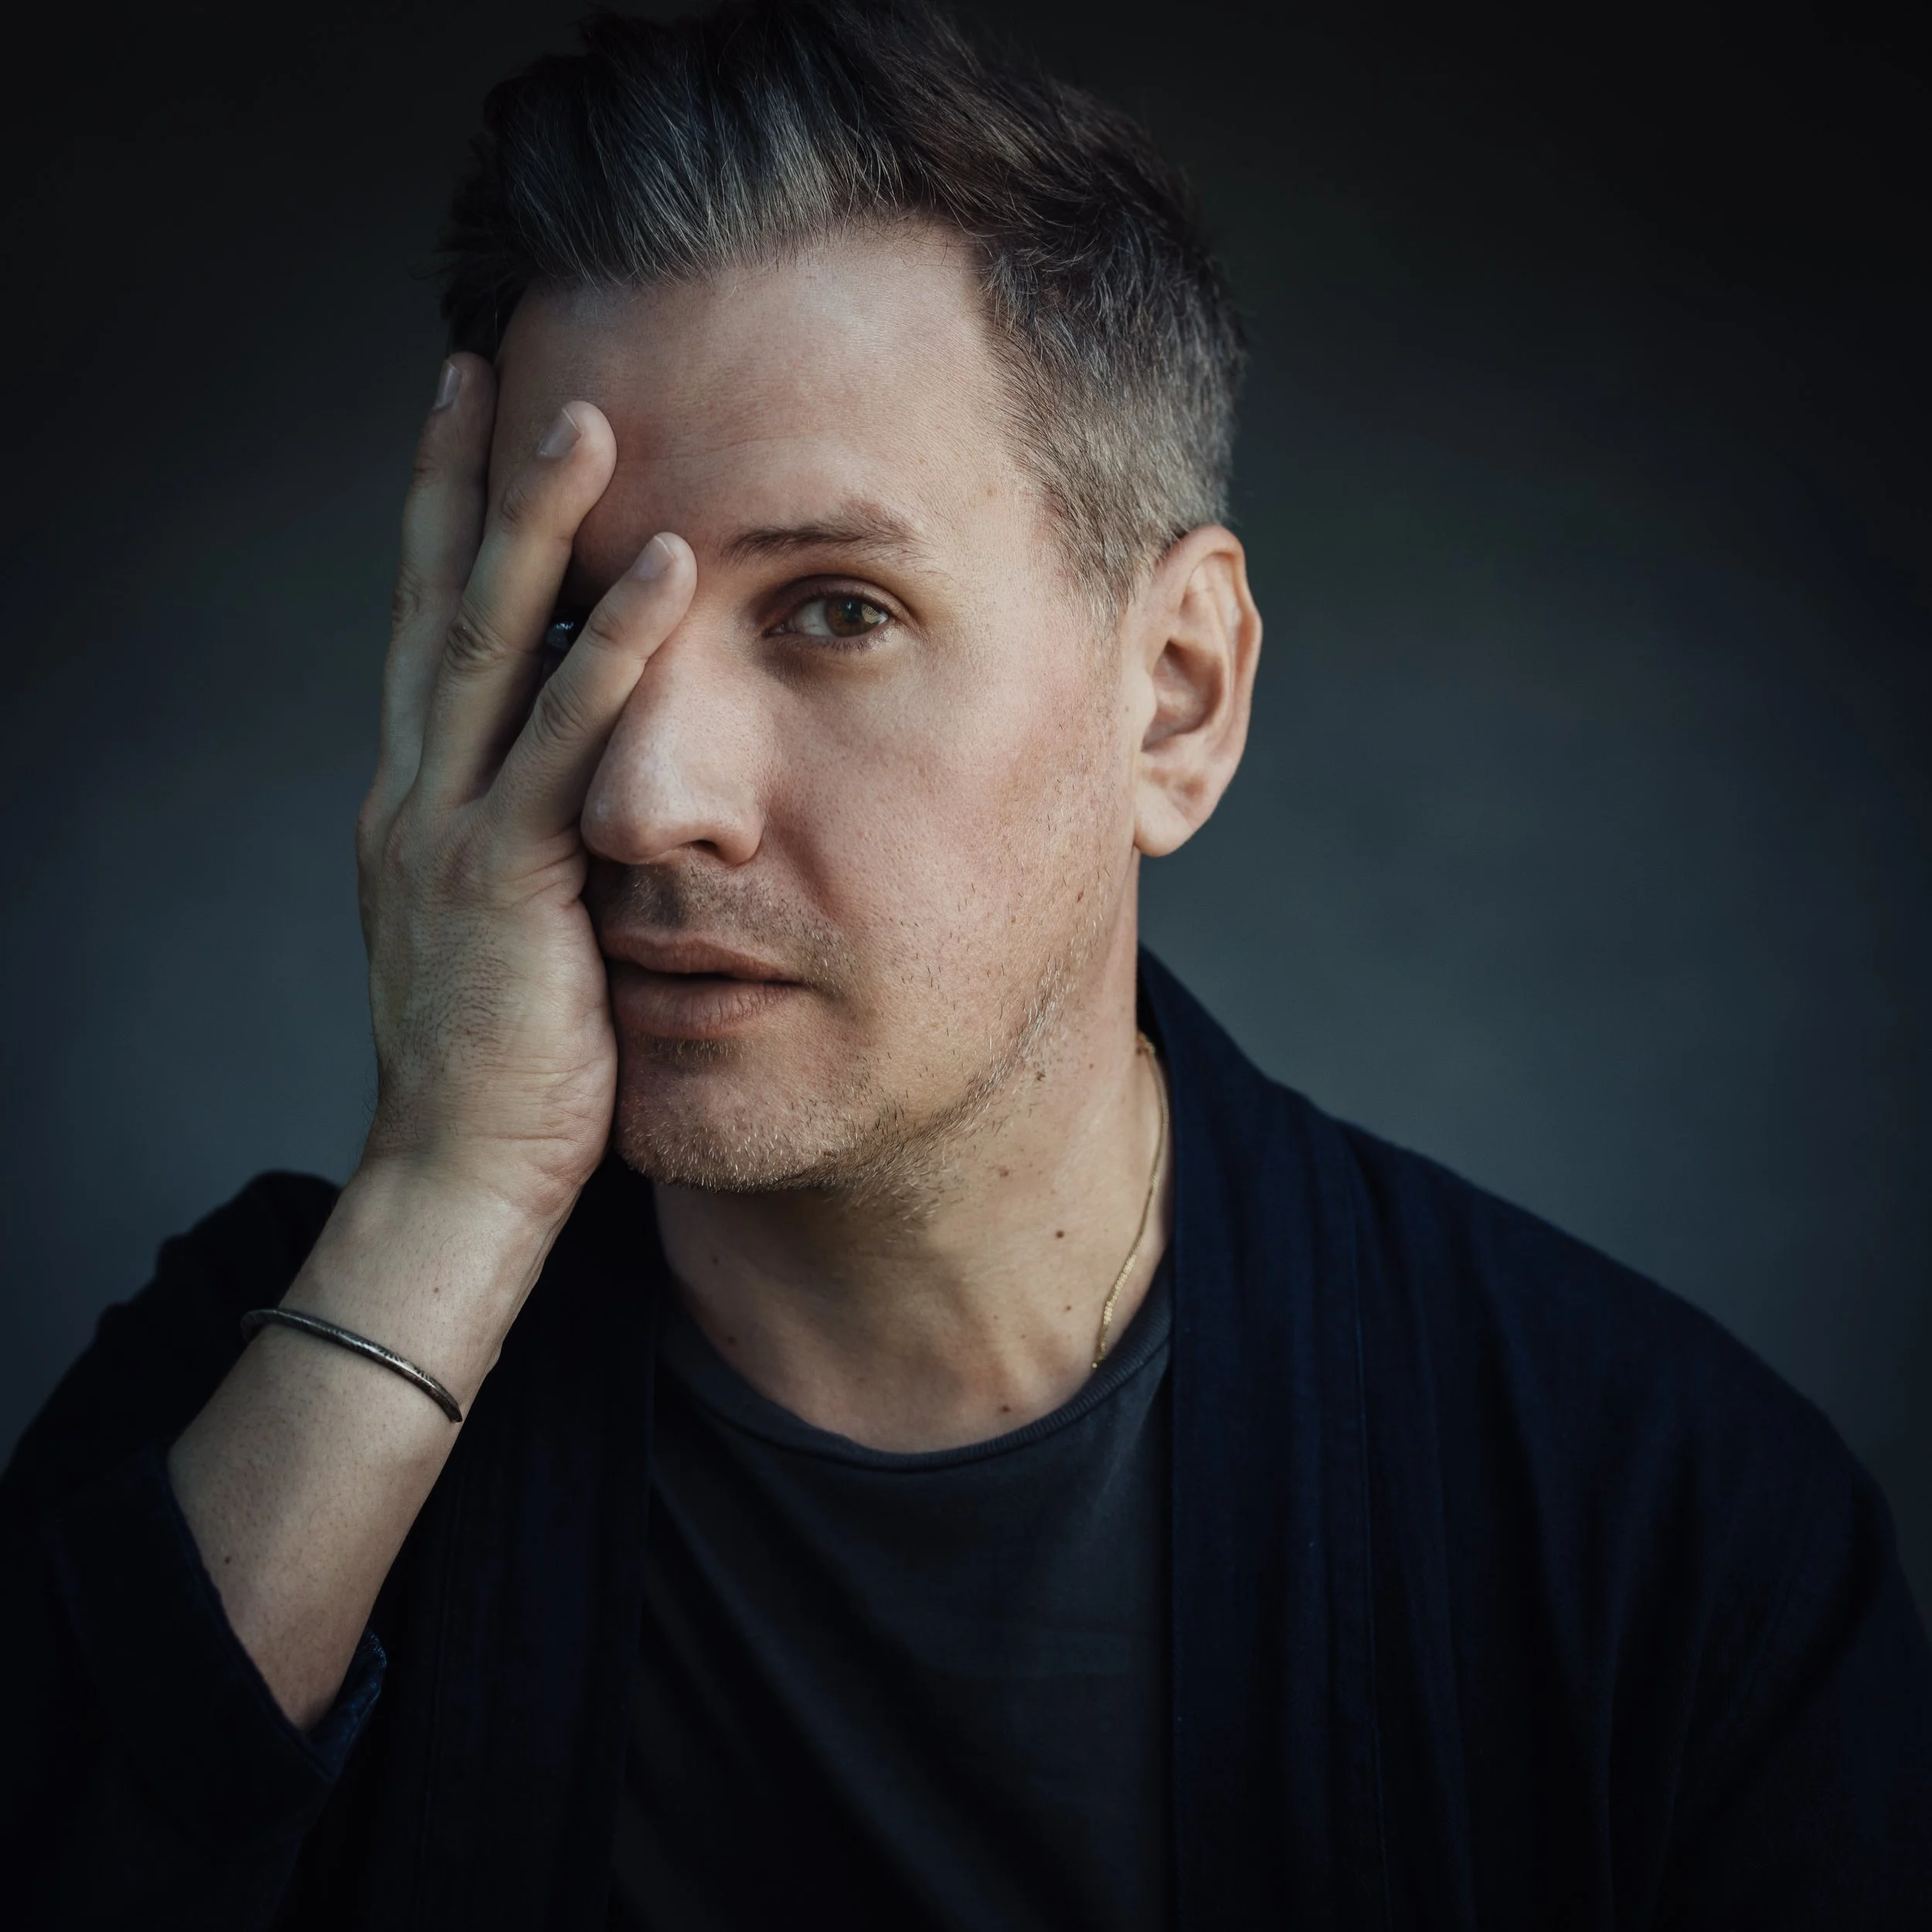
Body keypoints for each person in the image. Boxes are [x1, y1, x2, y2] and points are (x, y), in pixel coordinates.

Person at [5, 2, 1929, 1926]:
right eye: (573, 629)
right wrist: (445, 1190)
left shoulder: (1661, 1536)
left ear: (1173, 696)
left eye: (834, 610)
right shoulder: (259, 1387)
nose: (643, 799)